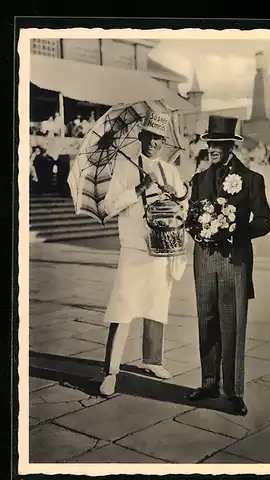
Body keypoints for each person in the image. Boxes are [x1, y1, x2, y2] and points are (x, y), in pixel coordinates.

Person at [185, 116, 270, 416]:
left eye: (218, 144)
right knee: (206, 320)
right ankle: (209, 383)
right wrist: (198, 227)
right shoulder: (198, 180)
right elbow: (191, 219)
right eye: (209, 143)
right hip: (204, 259)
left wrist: (234, 230)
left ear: (230, 146)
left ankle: (234, 392)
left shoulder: (251, 180)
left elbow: (264, 222)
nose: (212, 148)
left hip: (234, 259)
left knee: (232, 323)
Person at [99, 111, 189, 397]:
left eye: (159, 139)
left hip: (163, 247)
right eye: (150, 137)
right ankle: (111, 371)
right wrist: (140, 188)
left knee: (157, 305)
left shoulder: (169, 168)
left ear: (164, 142)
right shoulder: (123, 168)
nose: (154, 143)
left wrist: (177, 193)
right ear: (141, 137)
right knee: (123, 308)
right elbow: (110, 206)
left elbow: (183, 204)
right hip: (134, 249)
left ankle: (153, 361)